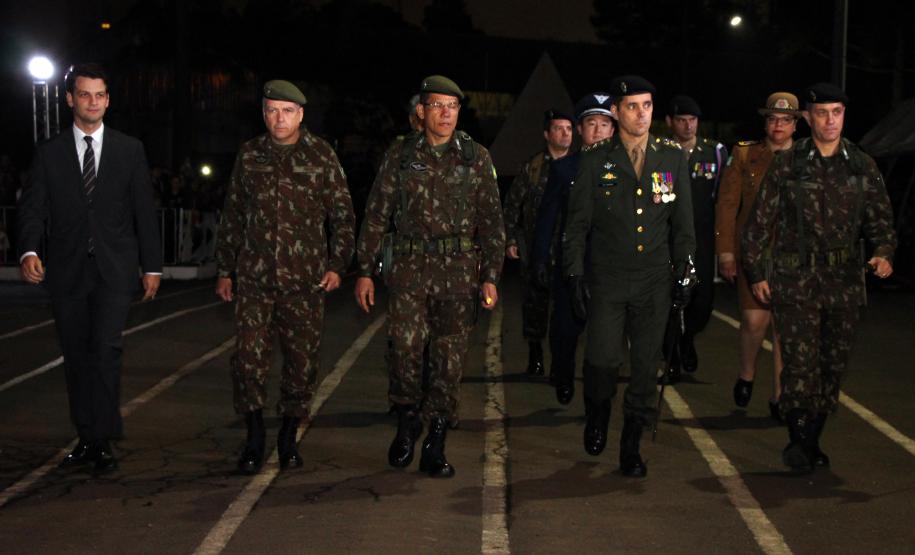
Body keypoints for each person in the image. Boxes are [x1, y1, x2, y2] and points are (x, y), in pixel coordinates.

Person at [355, 75, 504, 478]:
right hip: (409, 273)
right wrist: (365, 270)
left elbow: (491, 222)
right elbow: (376, 212)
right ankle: (407, 420)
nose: (445, 114)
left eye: (452, 106)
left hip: (458, 276)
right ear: (421, 111)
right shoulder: (401, 155)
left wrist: (490, 275)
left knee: (448, 360)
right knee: (404, 350)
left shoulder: (477, 158)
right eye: (437, 105)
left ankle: (436, 439)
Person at [742, 82, 895, 472]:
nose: (830, 120)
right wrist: (757, 272)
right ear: (808, 118)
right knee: (799, 364)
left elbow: (881, 223)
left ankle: (811, 440)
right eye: (822, 113)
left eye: (837, 112)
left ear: (844, 114)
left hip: (844, 283)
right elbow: (760, 223)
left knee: (832, 366)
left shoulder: (862, 164)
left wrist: (882, 254)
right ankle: (798, 439)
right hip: (796, 281)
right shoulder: (789, 164)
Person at [17, 63, 162, 474]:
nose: (93, 102)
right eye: (84, 95)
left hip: (114, 271)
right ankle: (88, 436)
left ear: (108, 100)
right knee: (77, 356)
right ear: (69, 99)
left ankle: (101, 437)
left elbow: (143, 213)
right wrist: (28, 250)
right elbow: (32, 209)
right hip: (66, 273)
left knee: (105, 349)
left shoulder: (129, 150)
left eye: (99, 95)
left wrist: (152, 266)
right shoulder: (50, 153)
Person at [215, 80, 355, 475]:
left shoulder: (321, 155)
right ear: (264, 113)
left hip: (305, 283)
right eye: (273, 110)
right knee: (247, 361)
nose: (280, 118)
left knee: (301, 364)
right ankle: (255, 434)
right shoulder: (250, 155)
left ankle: (289, 435)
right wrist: (225, 268)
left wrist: (337, 265)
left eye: (288, 111)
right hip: (255, 280)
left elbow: (343, 216)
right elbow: (233, 214)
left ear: (301, 115)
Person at [563, 75, 695, 478]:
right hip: (608, 278)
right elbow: (577, 225)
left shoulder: (671, 158)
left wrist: (686, 271)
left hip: (654, 280)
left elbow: (683, 224)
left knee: (644, 367)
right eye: (632, 106)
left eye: (648, 105)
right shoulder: (594, 159)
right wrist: (574, 275)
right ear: (617, 112)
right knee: (602, 360)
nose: (641, 114)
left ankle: (632, 443)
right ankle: (598, 411)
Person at [716, 92, 799, 418]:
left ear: (795, 124)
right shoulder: (745, 154)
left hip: (792, 255)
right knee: (753, 322)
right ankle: (747, 373)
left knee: (784, 328)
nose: (778, 125)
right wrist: (725, 253)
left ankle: (780, 397)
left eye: (785, 119)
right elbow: (727, 205)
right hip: (753, 252)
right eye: (772, 119)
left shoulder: (806, 159)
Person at [529, 93, 615, 404]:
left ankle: (597, 395)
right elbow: (547, 216)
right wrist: (539, 258)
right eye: (591, 123)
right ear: (580, 129)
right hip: (573, 262)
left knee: (605, 339)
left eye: (605, 124)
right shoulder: (565, 169)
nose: (598, 130)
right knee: (566, 329)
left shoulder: (625, 168)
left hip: (610, 265)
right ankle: (563, 372)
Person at [503, 108, 574, 376]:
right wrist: (511, 238)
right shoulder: (533, 168)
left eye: (569, 129)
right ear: (547, 134)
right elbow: (512, 206)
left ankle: (559, 360)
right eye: (559, 128)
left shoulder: (579, 167)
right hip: (536, 251)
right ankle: (535, 355)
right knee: (534, 307)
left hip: (567, 253)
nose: (565, 133)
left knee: (564, 311)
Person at [662, 95, 727, 381]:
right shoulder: (660, 153)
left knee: (702, 302)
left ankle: (688, 339)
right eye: (681, 120)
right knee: (669, 300)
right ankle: (673, 353)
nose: (688, 126)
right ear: (670, 122)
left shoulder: (715, 152)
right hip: (667, 239)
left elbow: (725, 198)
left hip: (703, 238)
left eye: (693, 120)